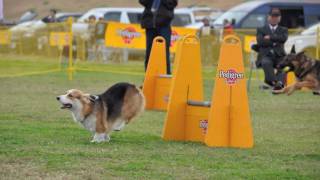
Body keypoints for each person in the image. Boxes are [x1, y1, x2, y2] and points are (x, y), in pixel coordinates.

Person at [139, 0, 178, 75]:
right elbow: (142, 1)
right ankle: (148, 76)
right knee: (149, 52)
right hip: (150, 26)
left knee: (164, 52)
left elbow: (172, 4)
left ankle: (167, 75)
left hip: (164, 26)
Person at [256, 8, 288, 90]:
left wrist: (270, 37)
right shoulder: (261, 29)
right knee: (266, 63)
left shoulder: (284, 30)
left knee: (284, 65)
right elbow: (260, 42)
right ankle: (275, 83)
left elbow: (283, 39)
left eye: (277, 17)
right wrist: (275, 42)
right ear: (268, 17)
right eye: (273, 16)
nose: (274, 18)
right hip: (266, 55)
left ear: (279, 18)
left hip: (279, 55)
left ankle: (276, 84)